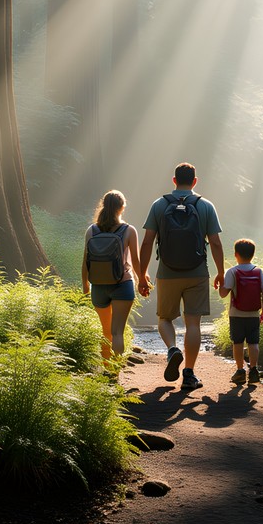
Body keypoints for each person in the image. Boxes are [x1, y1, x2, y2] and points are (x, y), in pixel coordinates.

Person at [138, 162, 224, 390]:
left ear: (174, 180)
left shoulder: (159, 204)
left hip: (167, 272)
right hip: (197, 272)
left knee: (165, 319)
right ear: (195, 181)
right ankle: (189, 374)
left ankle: (172, 350)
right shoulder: (205, 205)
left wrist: (141, 273)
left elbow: (147, 242)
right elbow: (215, 242)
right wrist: (221, 273)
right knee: (193, 323)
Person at [82, 190, 148, 362]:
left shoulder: (92, 230)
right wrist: (142, 281)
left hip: (98, 286)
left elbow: (85, 261)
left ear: (103, 206)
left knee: (106, 331)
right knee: (117, 332)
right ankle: (115, 370)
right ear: (122, 207)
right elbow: (136, 261)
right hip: (123, 284)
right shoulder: (128, 230)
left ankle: (106, 368)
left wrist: (85, 285)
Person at [218, 238, 263, 384]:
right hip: (253, 314)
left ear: (236, 254)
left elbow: (223, 294)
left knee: (238, 342)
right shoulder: (259, 271)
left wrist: (221, 283)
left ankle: (240, 371)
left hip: (236, 314)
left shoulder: (232, 271)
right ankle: (253, 370)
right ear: (253, 254)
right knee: (253, 343)